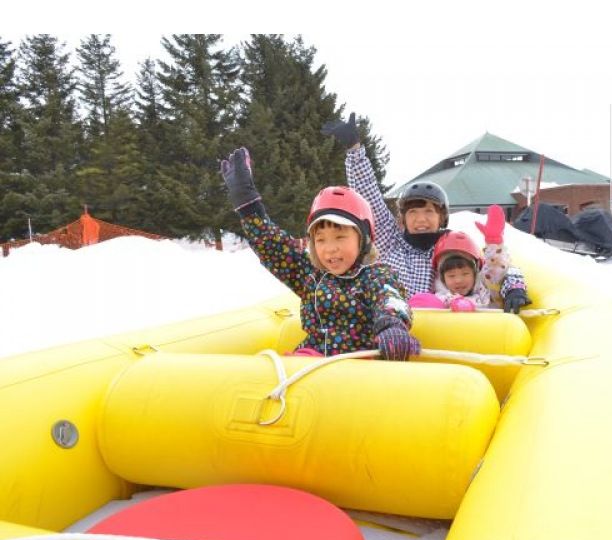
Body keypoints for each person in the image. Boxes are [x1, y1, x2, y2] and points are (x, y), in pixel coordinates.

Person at [220, 147, 419, 360]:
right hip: (313, 360)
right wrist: (248, 205)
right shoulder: (311, 275)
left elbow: (389, 298)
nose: (330, 248)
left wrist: (392, 326)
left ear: (363, 240)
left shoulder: (375, 275)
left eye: (340, 237)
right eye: (321, 240)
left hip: (360, 365)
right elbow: (274, 247)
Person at [322, 113, 530, 313]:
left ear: (441, 217)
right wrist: (354, 149)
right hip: (393, 323)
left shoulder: (452, 247)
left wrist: (514, 288)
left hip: (440, 329)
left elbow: (494, 270)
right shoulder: (390, 243)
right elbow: (369, 197)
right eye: (413, 212)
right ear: (403, 218)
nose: (421, 219)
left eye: (429, 212)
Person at [427, 204, 514, 312]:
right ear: (442, 278)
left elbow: (496, 269)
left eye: (465, 273)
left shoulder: (484, 287)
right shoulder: (441, 298)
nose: (458, 280)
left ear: (475, 272)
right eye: (451, 276)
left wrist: (494, 243)